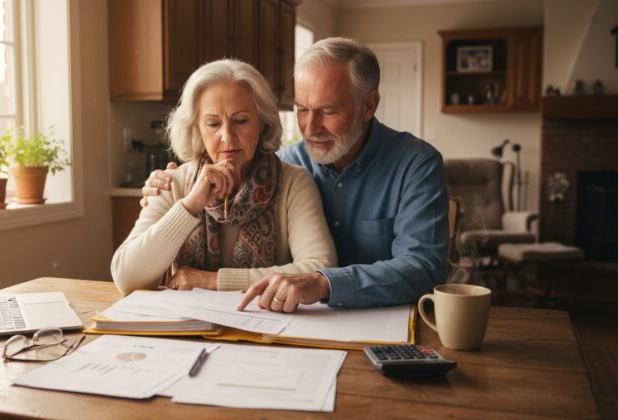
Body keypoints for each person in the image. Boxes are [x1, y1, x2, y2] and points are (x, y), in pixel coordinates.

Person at [141, 38, 449, 313]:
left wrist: (325, 283)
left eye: (327, 112)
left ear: (369, 105)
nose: (310, 128)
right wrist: (172, 190)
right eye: (302, 109)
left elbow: (423, 267)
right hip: (301, 323)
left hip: (389, 321)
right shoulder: (284, 166)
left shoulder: (416, 165)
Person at [111, 59, 337, 295]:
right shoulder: (172, 183)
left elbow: (319, 269)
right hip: (187, 327)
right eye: (213, 123)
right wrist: (190, 205)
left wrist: (212, 280)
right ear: (196, 128)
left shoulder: (294, 182)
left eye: (240, 121)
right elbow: (126, 278)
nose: (227, 137)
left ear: (262, 122)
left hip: (267, 325)